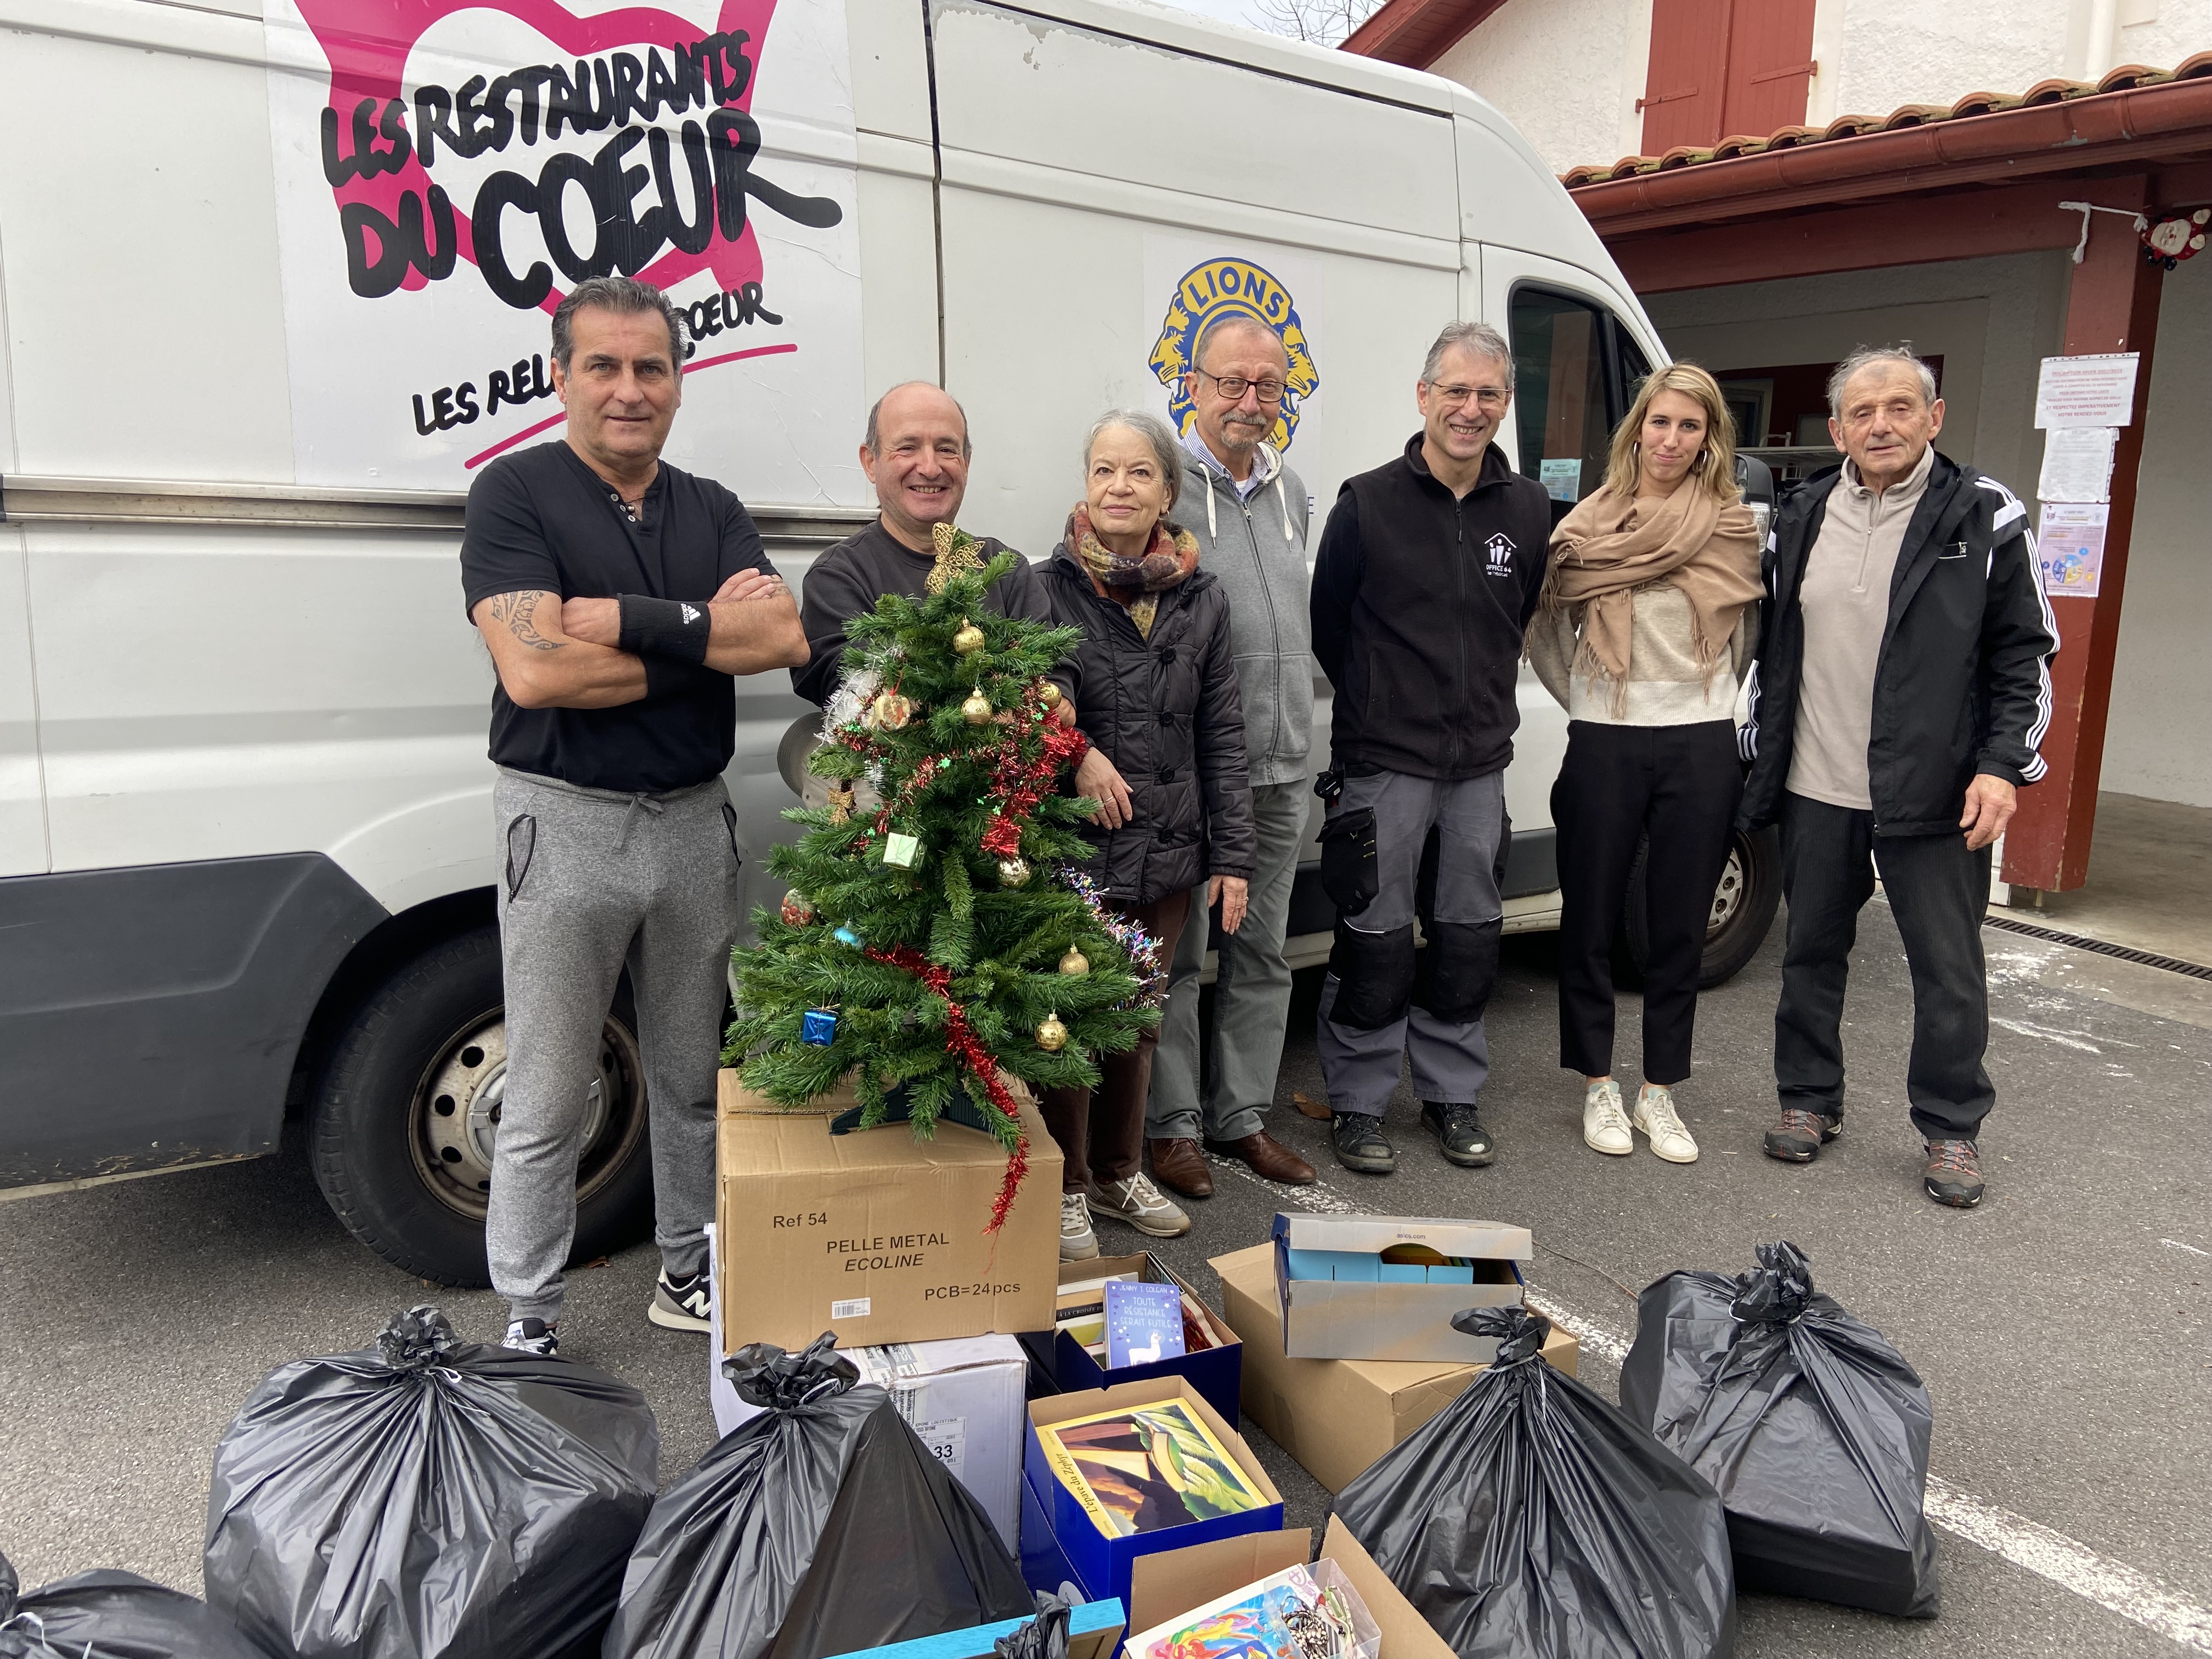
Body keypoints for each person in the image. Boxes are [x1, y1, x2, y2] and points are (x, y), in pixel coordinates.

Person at [460, 275, 810, 1356]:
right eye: (603, 366)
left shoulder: (711, 508)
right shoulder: (513, 494)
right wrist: (700, 646)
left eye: (649, 367)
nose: (628, 389)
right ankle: (529, 1312)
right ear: (560, 376)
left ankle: (689, 1269)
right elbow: (533, 670)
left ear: (677, 380)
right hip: (565, 823)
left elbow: (784, 641)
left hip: (693, 826)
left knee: (690, 1071)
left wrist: (628, 622)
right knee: (552, 1087)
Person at [1738, 344, 2058, 1208]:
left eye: (1900, 408)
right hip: (1816, 781)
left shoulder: (1984, 514)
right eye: (1863, 413)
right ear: (1837, 428)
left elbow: (2024, 654)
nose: (1882, 425)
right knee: (1809, 952)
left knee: (1947, 969)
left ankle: (1952, 1128)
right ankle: (1808, 1101)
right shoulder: (1802, 512)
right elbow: (1773, 647)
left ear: (1934, 417)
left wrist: (2002, 768)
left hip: (1936, 790)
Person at [1308, 321, 1550, 1176]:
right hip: (1385, 765)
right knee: (1373, 942)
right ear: (1424, 397)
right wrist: (1388, 706)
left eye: (1488, 395)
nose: (1471, 409)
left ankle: (1451, 1093)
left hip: (1480, 768)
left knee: (1468, 937)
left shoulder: (1525, 509)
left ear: (1504, 405)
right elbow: (1330, 627)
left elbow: (1514, 622)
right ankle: (1361, 1104)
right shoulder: (1367, 503)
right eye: (1456, 391)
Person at [1526, 363, 1762, 1165]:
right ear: (1637, 430)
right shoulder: (1586, 527)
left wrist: (1708, 704)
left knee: (1677, 927)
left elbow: (1745, 638)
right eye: (1659, 423)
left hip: (1699, 739)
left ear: (1709, 439)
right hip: (1606, 738)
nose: (1671, 439)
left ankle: (1659, 1091)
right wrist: (1595, 704)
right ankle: (1598, 1082)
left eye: (1690, 427)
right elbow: (1551, 633)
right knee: (1589, 917)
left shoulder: (1731, 526)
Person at [1041, 410, 1257, 1259]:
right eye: (1103, 471)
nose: (1118, 488)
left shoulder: (1202, 596)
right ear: (1085, 485)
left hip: (1168, 848)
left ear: (1169, 490)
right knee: (1065, 1017)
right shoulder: (1047, 584)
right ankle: (1065, 1187)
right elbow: (1034, 693)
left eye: (1137, 473)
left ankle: (1120, 1170)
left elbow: (1223, 734)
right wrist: (1081, 753)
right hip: (1075, 850)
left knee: (1137, 1017)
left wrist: (1233, 856)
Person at [1143, 313, 1319, 1201]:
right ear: (1194, 384)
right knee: (1176, 957)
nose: (1250, 400)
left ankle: (1241, 1115)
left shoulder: (1295, 495)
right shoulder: (1163, 493)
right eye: (1231, 382)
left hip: (1283, 765)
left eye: (1267, 385)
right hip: (1194, 773)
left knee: (1261, 952)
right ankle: (1171, 1127)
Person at [793, 382, 1071, 711]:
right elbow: (858, 696)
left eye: (946, 449)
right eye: (908, 448)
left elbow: (1055, 672)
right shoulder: (838, 578)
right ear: (871, 462)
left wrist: (1054, 697)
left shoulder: (1006, 568)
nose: (930, 467)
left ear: (966, 462)